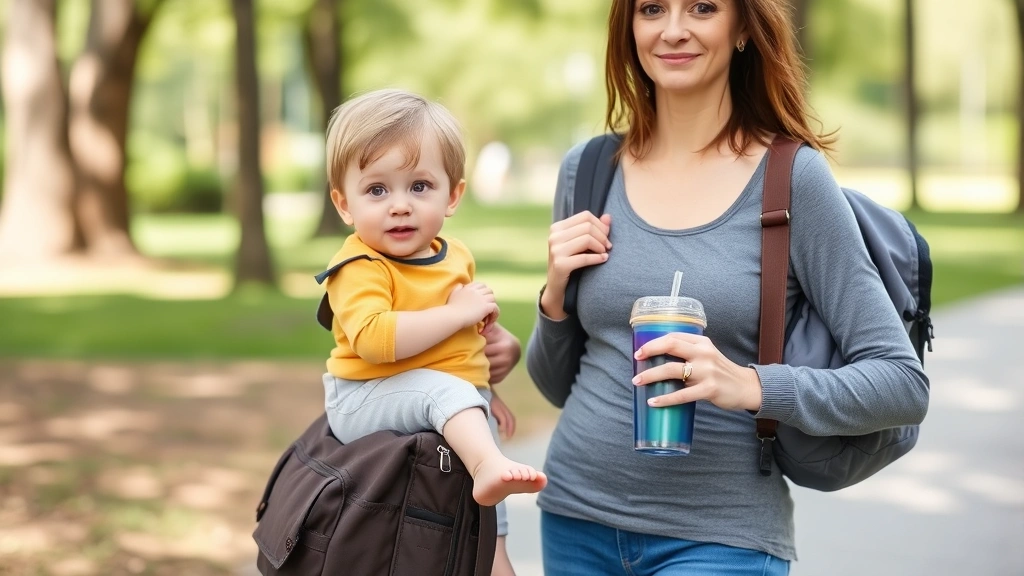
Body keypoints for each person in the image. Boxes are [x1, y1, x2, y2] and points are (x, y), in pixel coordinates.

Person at [526, 1, 929, 574]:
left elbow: (902, 384)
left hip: (719, 538)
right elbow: (555, 386)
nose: (672, 30)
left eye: (703, 7)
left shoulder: (792, 180)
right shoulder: (589, 169)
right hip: (576, 520)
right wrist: (555, 296)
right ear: (629, 28)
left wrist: (751, 385)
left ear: (742, 26)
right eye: (650, 8)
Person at [317, 88, 546, 576]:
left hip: (444, 397)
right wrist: (458, 315)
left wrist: (488, 386)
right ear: (344, 204)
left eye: (419, 186)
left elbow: (462, 347)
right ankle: (486, 463)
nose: (400, 206)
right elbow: (375, 340)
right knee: (446, 397)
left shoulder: (454, 255)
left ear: (453, 195)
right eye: (377, 190)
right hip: (362, 396)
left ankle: (497, 538)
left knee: (492, 531)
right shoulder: (359, 265)